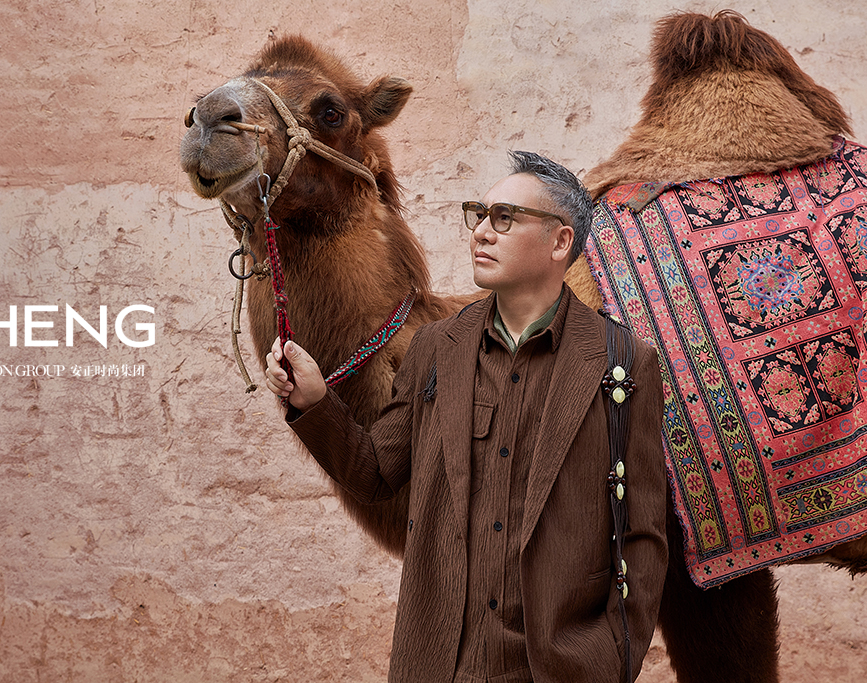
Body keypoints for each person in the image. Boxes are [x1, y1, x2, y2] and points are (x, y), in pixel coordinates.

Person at [265, 151, 667, 683]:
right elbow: (374, 473)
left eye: (505, 218)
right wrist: (315, 401)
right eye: (479, 215)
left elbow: (641, 534)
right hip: (440, 666)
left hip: (558, 670)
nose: (481, 232)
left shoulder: (623, 362)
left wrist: (610, 659)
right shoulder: (437, 348)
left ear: (560, 242)